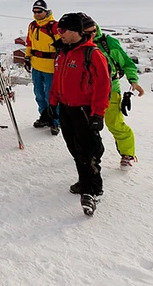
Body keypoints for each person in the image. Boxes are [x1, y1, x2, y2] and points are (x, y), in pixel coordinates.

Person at [48, 12, 111, 216]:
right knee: (74, 148)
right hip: (66, 108)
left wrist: (98, 114)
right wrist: (53, 102)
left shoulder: (92, 54)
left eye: (63, 30)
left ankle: (92, 191)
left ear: (76, 31)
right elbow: (58, 79)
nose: (60, 34)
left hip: (84, 110)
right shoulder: (63, 52)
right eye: (59, 30)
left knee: (89, 151)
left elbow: (103, 86)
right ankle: (84, 180)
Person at [81, 14, 145, 169]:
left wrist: (133, 81)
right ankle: (88, 153)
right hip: (85, 92)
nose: (92, 34)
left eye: (94, 30)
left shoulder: (107, 43)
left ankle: (127, 154)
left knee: (114, 123)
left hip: (110, 89)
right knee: (84, 125)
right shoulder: (75, 45)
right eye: (87, 32)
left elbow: (127, 63)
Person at [25, 0, 61, 136]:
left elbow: (63, 44)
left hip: (51, 68)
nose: (36, 14)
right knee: (39, 94)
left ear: (45, 11)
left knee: (50, 96)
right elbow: (29, 42)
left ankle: (55, 121)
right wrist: (27, 58)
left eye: (39, 11)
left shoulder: (55, 26)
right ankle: (45, 117)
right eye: (34, 11)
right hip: (36, 65)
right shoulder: (32, 26)